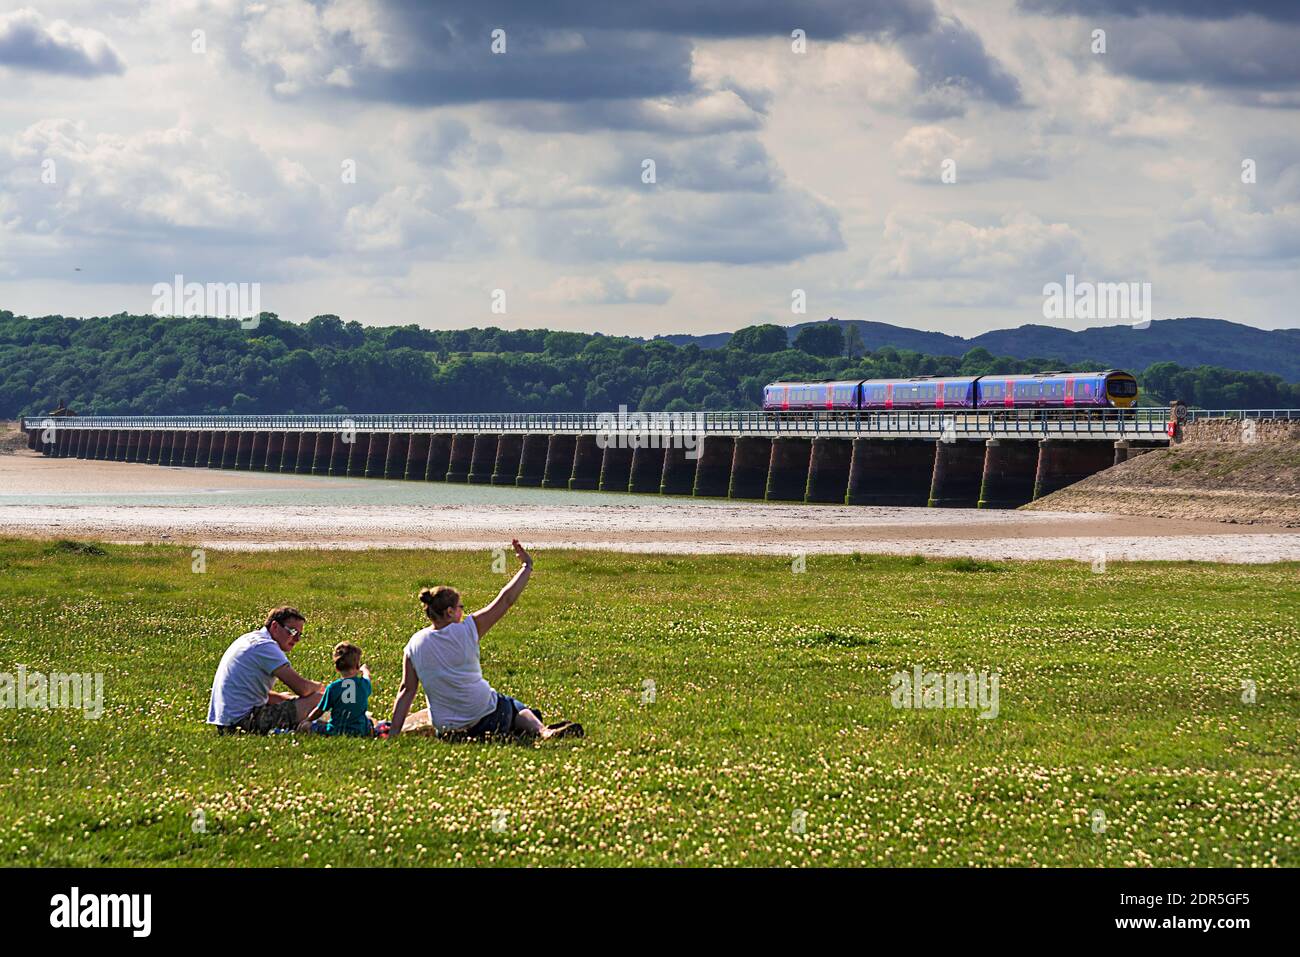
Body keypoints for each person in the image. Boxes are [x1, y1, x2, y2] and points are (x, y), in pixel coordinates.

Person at [389, 540, 582, 741]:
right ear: (449, 612)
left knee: (505, 711)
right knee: (514, 706)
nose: (463, 612)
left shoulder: (414, 644)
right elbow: (505, 599)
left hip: (449, 733)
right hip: (488, 718)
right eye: (460, 608)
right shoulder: (466, 630)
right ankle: (543, 731)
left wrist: (393, 733)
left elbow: (407, 690)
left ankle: (523, 729)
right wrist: (527, 567)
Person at [207, 606, 325, 734]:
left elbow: (250, 692)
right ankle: (329, 726)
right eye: (292, 632)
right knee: (317, 699)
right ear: (275, 626)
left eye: (299, 634)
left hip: (226, 723)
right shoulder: (265, 647)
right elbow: (302, 689)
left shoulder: (251, 639)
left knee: (285, 697)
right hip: (243, 723)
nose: (297, 639)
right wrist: (322, 688)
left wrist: (283, 698)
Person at [299, 642, 375, 736]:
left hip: (336, 731)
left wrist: (307, 720)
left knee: (311, 725)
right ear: (357, 666)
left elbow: (320, 710)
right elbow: (367, 676)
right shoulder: (363, 684)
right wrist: (364, 670)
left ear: (337, 668)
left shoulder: (333, 688)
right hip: (359, 731)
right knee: (368, 722)